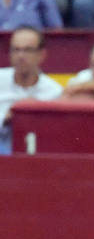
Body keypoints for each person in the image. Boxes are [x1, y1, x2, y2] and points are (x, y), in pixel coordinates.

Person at [0, 26, 62, 154]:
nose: (20, 56)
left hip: (38, 155)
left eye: (27, 50)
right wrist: (5, 118)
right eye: (16, 50)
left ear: (41, 55)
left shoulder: (54, 92)